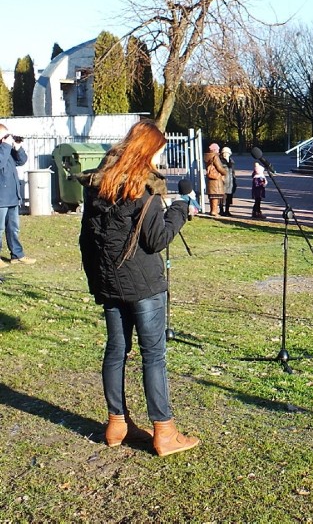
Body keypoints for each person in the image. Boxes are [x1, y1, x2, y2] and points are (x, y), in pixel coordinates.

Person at [77, 120, 199, 457]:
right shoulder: (140, 189)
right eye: (159, 151)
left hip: (110, 283)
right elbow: (157, 238)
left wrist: (97, 282)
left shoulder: (99, 185)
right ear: (148, 150)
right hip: (143, 286)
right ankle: (164, 431)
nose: (160, 158)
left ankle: (117, 423)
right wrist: (179, 209)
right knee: (153, 355)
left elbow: (86, 238)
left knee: (116, 350)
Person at [0, 124, 35, 266]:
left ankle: (17, 255)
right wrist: (6, 146)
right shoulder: (3, 150)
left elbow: (21, 161)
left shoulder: (6, 150)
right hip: (1, 197)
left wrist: (17, 148)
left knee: (13, 228)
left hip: (12, 196)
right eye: (6, 136)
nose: (9, 138)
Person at [203, 143, 227, 216]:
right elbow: (219, 167)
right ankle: (214, 211)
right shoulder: (215, 156)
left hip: (210, 178)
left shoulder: (207, 156)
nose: (218, 150)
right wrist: (225, 172)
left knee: (211, 196)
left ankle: (212, 210)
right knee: (215, 196)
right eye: (217, 149)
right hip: (216, 178)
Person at [220, 146, 237, 216]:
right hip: (223, 181)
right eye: (224, 153)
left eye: (227, 153)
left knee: (229, 197)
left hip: (230, 181)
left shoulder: (231, 161)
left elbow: (233, 172)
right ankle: (221, 210)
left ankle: (227, 210)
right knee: (222, 198)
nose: (225, 154)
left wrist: (234, 180)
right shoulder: (220, 161)